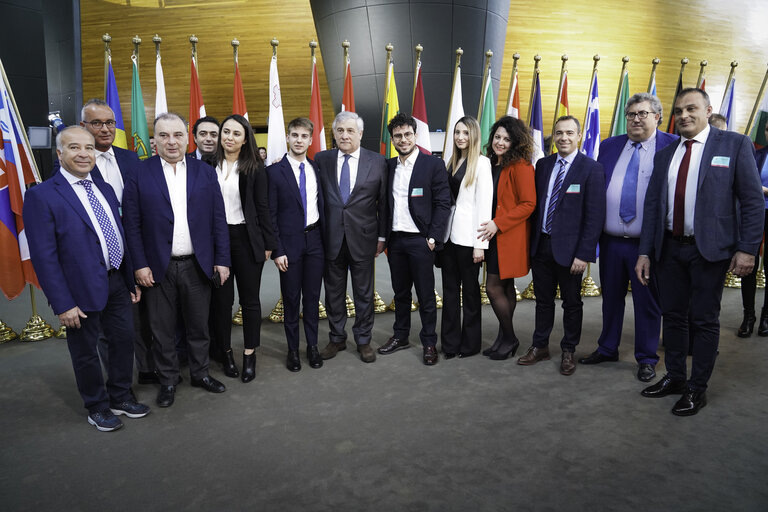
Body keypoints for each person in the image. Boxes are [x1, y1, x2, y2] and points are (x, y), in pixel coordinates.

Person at [636, 88, 763, 415]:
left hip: (710, 251)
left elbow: (751, 201)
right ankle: (676, 377)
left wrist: (747, 249)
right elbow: (653, 207)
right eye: (678, 110)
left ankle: (697, 388)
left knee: (704, 320)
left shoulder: (733, 145)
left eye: (691, 109)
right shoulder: (666, 153)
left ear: (708, 110)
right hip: (669, 249)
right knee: (674, 317)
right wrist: (645, 252)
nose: (684, 116)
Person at [23, 126, 149, 432]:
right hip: (77, 291)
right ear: (60, 153)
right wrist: (63, 303)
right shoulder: (42, 196)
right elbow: (44, 256)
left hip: (116, 280)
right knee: (86, 352)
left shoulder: (103, 186)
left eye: (89, 148)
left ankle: (120, 396)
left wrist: (129, 278)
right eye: (75, 147)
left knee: (122, 342)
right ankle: (97, 405)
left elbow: (117, 235)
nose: (83, 154)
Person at [123, 112, 230, 408]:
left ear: (187, 137)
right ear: (154, 140)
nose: (171, 141)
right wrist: (139, 265)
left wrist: (222, 259)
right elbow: (131, 224)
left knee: (199, 326)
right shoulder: (139, 173)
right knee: (162, 330)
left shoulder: (205, 172)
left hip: (198, 265)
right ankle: (168, 380)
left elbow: (217, 219)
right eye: (164, 136)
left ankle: (200, 373)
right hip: (157, 268)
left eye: (177, 135)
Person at [578, 93, 677, 382]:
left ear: (657, 116)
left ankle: (647, 357)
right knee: (611, 298)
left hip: (646, 246)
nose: (635, 119)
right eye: (631, 114)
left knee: (647, 303)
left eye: (642, 113)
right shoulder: (609, 146)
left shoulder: (671, 147)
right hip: (611, 242)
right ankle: (607, 347)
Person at [518, 115, 605, 375]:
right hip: (542, 246)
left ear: (578, 136)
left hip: (571, 252)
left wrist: (584, 254)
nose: (564, 138)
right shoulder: (543, 165)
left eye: (569, 133)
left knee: (572, 303)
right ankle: (540, 345)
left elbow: (594, 216)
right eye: (559, 133)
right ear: (553, 137)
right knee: (542, 301)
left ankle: (569, 349)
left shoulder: (591, 168)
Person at [378, 113, 451, 365]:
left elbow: (443, 204)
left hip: (421, 241)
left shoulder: (433, 165)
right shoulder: (387, 166)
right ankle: (401, 336)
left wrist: (433, 237)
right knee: (400, 293)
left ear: (415, 135)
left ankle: (429, 341)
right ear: (392, 139)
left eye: (408, 134)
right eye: (398, 136)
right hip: (395, 241)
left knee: (426, 295)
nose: (403, 139)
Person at [207, 114, 276, 382]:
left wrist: (269, 243)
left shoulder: (255, 167)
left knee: (249, 301)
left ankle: (249, 354)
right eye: (226, 132)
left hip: (247, 239)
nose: (229, 137)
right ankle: (225, 353)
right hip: (217, 241)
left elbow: (263, 208)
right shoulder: (207, 164)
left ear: (245, 138)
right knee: (222, 303)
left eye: (236, 133)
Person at [315, 112, 387, 363]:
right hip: (330, 238)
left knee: (363, 293)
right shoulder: (321, 159)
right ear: (333, 134)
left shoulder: (378, 162)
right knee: (333, 292)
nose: (344, 135)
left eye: (350, 130)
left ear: (360, 134)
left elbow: (384, 203)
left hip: (364, 238)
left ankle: (364, 340)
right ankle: (337, 338)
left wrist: (382, 236)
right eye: (340, 131)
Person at [266, 117, 325, 372]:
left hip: (315, 242)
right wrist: (277, 249)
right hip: (288, 246)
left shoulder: (316, 170)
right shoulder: (274, 172)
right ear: (288, 138)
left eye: (304, 136)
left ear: (311, 140)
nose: (299, 140)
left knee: (312, 299)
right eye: (295, 135)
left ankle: (312, 346)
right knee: (291, 299)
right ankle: (292, 350)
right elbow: (269, 215)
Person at [476, 116, 536, 360]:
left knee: (492, 287)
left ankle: (510, 337)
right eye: (497, 137)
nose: (500, 142)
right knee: (505, 286)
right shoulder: (490, 163)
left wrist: (498, 224)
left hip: (507, 236)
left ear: (516, 142)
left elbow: (528, 203)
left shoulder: (520, 165)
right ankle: (503, 338)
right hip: (491, 236)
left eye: (506, 139)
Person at [440, 115, 493, 359]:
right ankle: (450, 344)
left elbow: (484, 206)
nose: (460, 137)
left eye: (465, 133)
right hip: (449, 239)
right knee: (450, 291)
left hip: (470, 241)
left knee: (470, 294)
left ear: (474, 135)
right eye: (457, 132)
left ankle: (470, 345)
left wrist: (480, 245)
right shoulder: (451, 161)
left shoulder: (482, 163)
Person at [739, 122, 768, 337]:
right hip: (753, 215)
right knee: (748, 264)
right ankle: (748, 315)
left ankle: (766, 316)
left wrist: (763, 190)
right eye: (767, 129)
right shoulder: (756, 155)